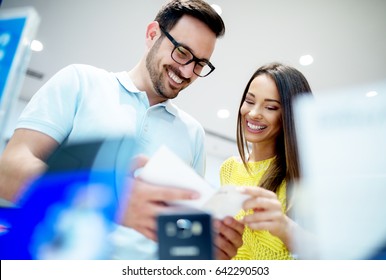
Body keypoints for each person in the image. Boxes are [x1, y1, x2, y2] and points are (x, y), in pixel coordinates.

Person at [0, 0, 243, 260]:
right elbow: (8, 170)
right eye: (182, 53)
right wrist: (112, 197)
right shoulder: (81, 82)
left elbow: (178, 236)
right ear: (153, 34)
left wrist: (206, 247)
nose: (186, 72)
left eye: (200, 64)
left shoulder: (193, 134)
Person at [219, 62, 313, 259]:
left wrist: (286, 228)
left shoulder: (305, 175)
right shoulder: (228, 169)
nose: (253, 113)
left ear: (290, 116)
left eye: (270, 107)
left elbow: (333, 253)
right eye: (250, 101)